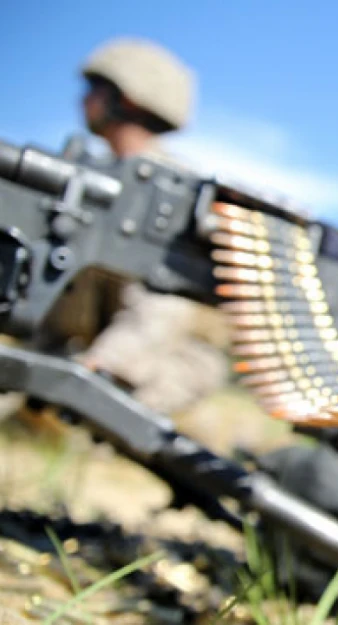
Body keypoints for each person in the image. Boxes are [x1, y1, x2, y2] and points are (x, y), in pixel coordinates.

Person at [40, 37, 230, 417]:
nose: (83, 100)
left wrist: (100, 369)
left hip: (145, 360)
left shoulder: (177, 192)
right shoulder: (93, 173)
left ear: (125, 99)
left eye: (94, 89)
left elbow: (164, 301)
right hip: (71, 341)